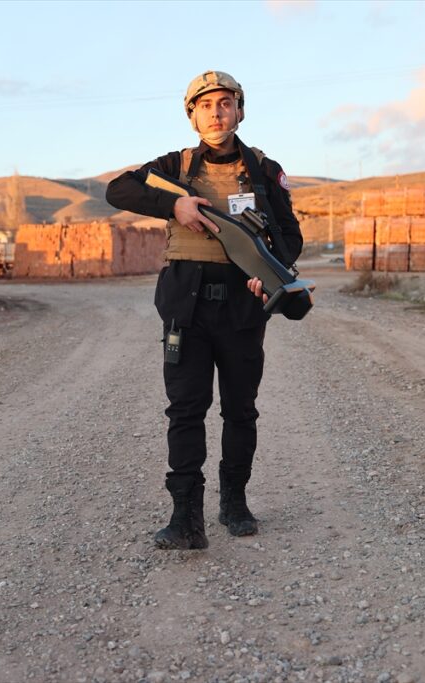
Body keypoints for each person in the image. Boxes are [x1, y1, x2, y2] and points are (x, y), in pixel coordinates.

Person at [106, 70, 303, 550]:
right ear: (191, 114)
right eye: (206, 105)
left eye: (225, 103)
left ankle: (234, 503)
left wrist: (270, 270)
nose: (216, 113)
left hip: (242, 300)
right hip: (185, 301)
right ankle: (185, 519)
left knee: (240, 409)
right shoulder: (174, 165)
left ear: (239, 110)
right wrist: (174, 207)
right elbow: (119, 190)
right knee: (186, 411)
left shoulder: (262, 168)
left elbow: (291, 238)